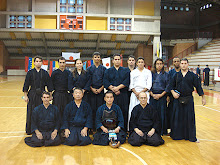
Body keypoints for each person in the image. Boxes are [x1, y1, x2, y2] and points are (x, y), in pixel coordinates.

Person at [169, 58, 206, 142]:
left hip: (188, 98)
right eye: (182, 63)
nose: (183, 65)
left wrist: (203, 98)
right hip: (177, 99)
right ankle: (177, 135)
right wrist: (173, 93)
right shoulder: (176, 75)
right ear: (180, 64)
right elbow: (170, 86)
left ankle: (191, 137)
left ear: (188, 64)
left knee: (189, 118)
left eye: (185, 63)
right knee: (177, 117)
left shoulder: (193, 76)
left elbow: (198, 87)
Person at [23, 56, 53, 135]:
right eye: (37, 61)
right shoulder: (30, 72)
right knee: (31, 112)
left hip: (42, 95)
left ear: (42, 63)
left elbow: (49, 85)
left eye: (40, 61)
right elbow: (26, 85)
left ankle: (41, 128)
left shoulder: (45, 72)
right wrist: (25, 96)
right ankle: (30, 129)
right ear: (34, 62)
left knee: (42, 112)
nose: (38, 62)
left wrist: (50, 95)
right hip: (32, 94)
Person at [103, 54, 130, 129]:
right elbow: (105, 81)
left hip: (123, 94)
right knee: (112, 111)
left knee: (124, 111)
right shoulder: (108, 71)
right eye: (115, 59)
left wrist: (118, 88)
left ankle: (122, 128)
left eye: (118, 59)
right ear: (113, 61)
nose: (117, 61)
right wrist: (113, 89)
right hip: (111, 95)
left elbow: (127, 81)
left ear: (121, 60)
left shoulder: (125, 70)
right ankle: (111, 127)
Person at [128, 57, 152, 130]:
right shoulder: (133, 72)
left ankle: (146, 128)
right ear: (137, 63)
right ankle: (132, 129)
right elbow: (131, 84)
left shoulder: (148, 72)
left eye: (142, 62)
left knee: (145, 111)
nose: (141, 63)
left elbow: (149, 85)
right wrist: (136, 93)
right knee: (132, 111)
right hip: (135, 93)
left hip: (144, 93)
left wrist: (141, 93)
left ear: (144, 63)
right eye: (139, 62)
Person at [87, 52, 106, 131]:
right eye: (95, 57)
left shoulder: (104, 69)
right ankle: (92, 127)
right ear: (92, 58)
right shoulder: (89, 69)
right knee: (92, 109)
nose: (97, 58)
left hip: (101, 91)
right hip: (92, 92)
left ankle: (100, 127)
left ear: (100, 58)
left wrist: (101, 88)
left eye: (98, 57)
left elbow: (105, 80)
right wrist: (92, 88)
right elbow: (88, 80)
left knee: (100, 109)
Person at [149, 58, 169, 135]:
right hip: (152, 96)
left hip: (162, 96)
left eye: (160, 64)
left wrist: (161, 95)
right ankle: (153, 130)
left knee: (162, 114)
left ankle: (162, 131)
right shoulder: (151, 74)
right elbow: (148, 85)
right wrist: (152, 94)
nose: (159, 65)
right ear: (155, 65)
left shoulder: (166, 74)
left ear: (163, 65)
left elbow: (168, 86)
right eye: (157, 64)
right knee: (153, 114)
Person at [167, 57, 181, 131]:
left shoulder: (183, 72)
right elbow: (169, 84)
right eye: (175, 61)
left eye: (178, 61)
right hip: (172, 96)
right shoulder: (171, 72)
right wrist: (168, 95)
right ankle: (172, 129)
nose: (176, 62)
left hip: (182, 96)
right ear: (173, 63)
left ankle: (180, 130)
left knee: (180, 114)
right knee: (172, 113)